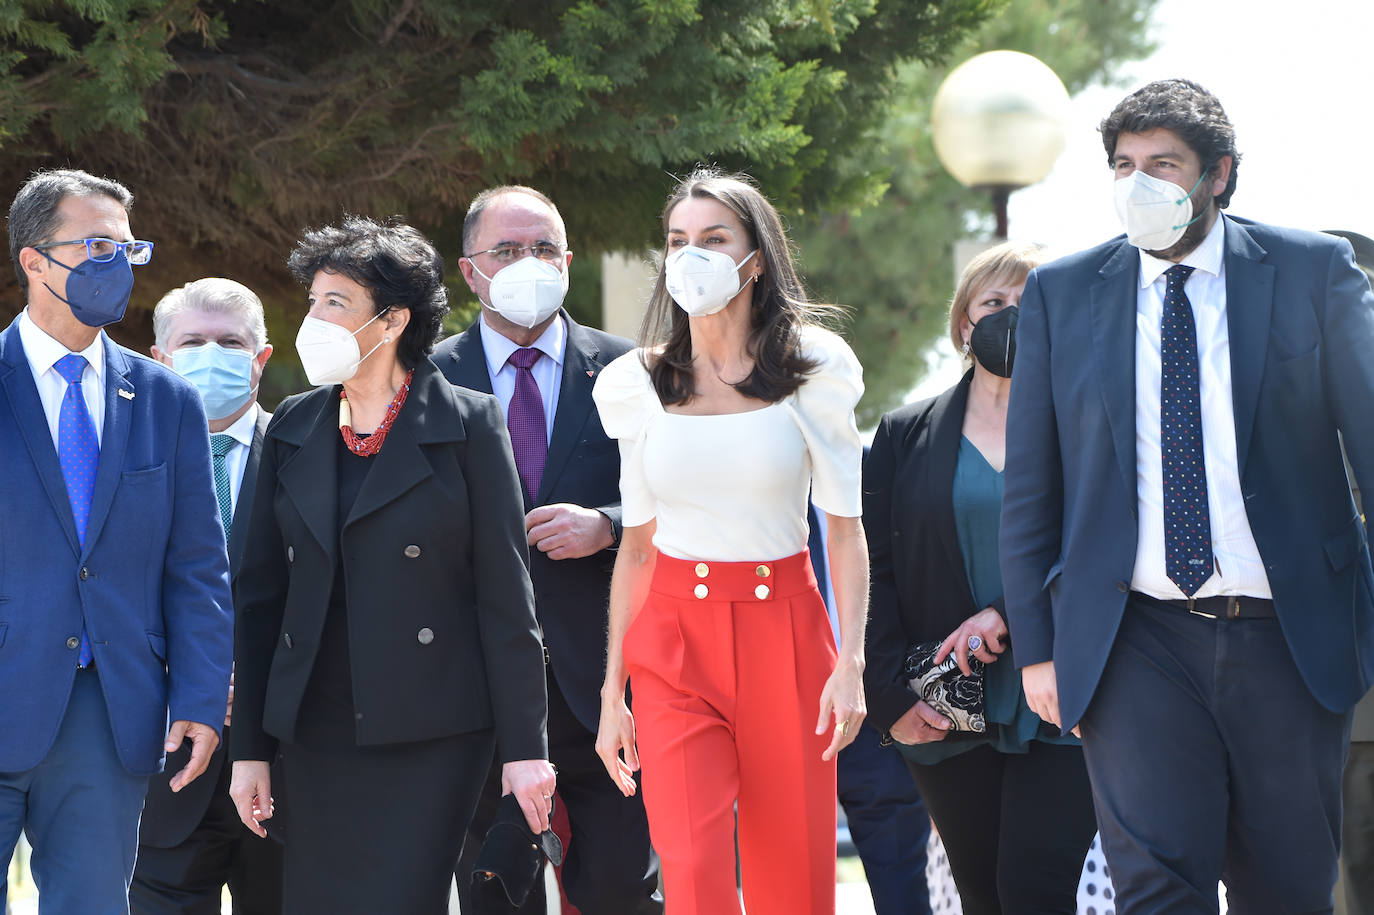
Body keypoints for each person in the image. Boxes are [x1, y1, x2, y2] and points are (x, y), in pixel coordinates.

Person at [1001, 78, 1374, 913]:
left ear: (1219, 174)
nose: (1141, 183)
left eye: (1164, 164)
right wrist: (1037, 647)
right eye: (1125, 164)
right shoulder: (1064, 294)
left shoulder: (1313, 271)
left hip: (1289, 635)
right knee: (1156, 889)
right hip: (1135, 636)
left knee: (1286, 890)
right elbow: (1033, 485)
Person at [227, 215, 555, 914]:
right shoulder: (292, 425)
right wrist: (248, 749)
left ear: (393, 319)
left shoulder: (469, 424)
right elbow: (258, 600)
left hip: (432, 727)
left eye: (334, 302)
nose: (313, 318)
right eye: (312, 301)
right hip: (312, 727)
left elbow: (506, 599)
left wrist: (528, 749)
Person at [593, 167, 868, 915]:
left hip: (787, 629)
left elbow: (844, 532)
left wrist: (850, 662)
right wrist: (612, 691)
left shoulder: (814, 369)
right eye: (678, 240)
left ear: (756, 258)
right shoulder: (637, 384)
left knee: (794, 872)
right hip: (674, 642)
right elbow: (639, 548)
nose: (693, 255)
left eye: (715, 238)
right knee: (691, 869)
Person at [0, 169, 233, 912]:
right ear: (34, 259)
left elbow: (198, 564)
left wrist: (198, 693)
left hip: (107, 714)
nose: (115, 264)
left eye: (127, 249)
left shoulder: (167, 399)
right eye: (96, 244)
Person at [436, 185, 662, 915]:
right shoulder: (428, 380)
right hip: (476, 690)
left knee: (624, 893)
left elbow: (683, 497)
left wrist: (610, 522)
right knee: (498, 893)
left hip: (607, 688)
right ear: (470, 271)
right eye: (506, 250)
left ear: (567, 261)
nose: (526, 262)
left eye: (541, 249)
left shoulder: (632, 370)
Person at [862, 242, 1097, 914]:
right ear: (964, 322)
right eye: (994, 303)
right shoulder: (905, 433)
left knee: (1035, 890)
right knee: (982, 895)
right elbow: (873, 568)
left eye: (1030, 303)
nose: (1011, 317)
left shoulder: (1087, 424)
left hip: (1063, 689)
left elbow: (1098, 548)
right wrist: (889, 700)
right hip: (947, 702)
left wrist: (1007, 611)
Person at [134, 278, 283, 914]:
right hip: (162, 771)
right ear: (160, 358)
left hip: (286, 772)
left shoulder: (310, 459)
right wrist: (193, 681)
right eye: (193, 342)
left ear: (261, 358)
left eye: (231, 342)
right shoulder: (124, 466)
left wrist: (249, 686)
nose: (212, 353)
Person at [809, 503, 932, 915]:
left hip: (879, 713)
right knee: (790, 886)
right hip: (782, 714)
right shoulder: (751, 478)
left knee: (902, 889)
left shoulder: (877, 468)